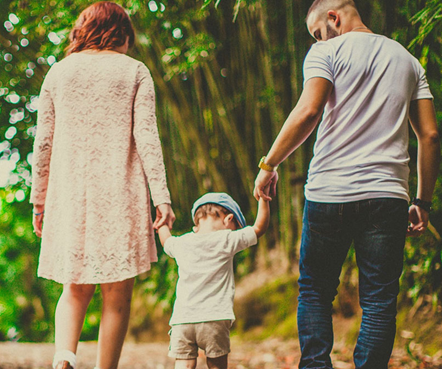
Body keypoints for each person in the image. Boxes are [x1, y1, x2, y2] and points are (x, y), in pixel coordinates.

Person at [252, 0, 440, 368]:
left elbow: (309, 110)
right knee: (380, 301)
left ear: (333, 18)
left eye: (317, 32)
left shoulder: (327, 51)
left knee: (316, 292)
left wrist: (269, 163)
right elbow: (430, 136)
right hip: (387, 196)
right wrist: (423, 201)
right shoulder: (408, 60)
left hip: (328, 193)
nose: (317, 39)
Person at [29, 3, 175, 369]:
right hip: (120, 194)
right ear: (121, 33)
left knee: (74, 288)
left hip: (70, 196)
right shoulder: (134, 71)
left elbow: (43, 143)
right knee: (118, 293)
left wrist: (39, 200)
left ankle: (63, 359)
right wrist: (162, 198)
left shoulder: (58, 73)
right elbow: (147, 139)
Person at [157, 192, 269, 369]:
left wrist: (162, 220)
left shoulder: (182, 242)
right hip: (214, 318)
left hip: (183, 319)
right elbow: (259, 228)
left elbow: (166, 241)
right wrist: (264, 198)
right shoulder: (226, 239)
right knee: (216, 365)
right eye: (235, 227)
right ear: (228, 219)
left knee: (183, 365)